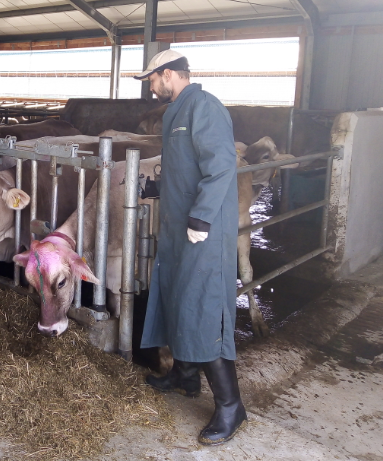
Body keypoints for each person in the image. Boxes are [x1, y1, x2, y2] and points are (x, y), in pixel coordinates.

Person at [135, 49, 246, 445]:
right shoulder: (175, 111)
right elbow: (184, 167)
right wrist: (155, 188)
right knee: (178, 298)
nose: (150, 87)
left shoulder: (205, 107)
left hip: (204, 230)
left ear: (168, 74)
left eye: (152, 79)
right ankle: (184, 376)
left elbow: (221, 165)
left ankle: (231, 407)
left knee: (202, 308)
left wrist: (200, 217)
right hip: (178, 227)